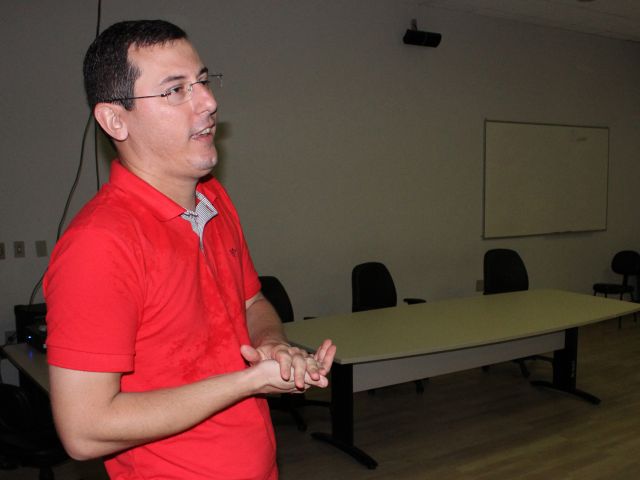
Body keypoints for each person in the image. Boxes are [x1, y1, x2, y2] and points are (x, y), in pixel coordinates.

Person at [43, 19, 336, 480]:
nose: (209, 102)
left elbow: (252, 301)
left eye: (202, 81)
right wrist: (249, 382)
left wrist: (272, 345)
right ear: (114, 119)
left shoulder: (212, 198)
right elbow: (84, 431)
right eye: (175, 90)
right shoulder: (99, 245)